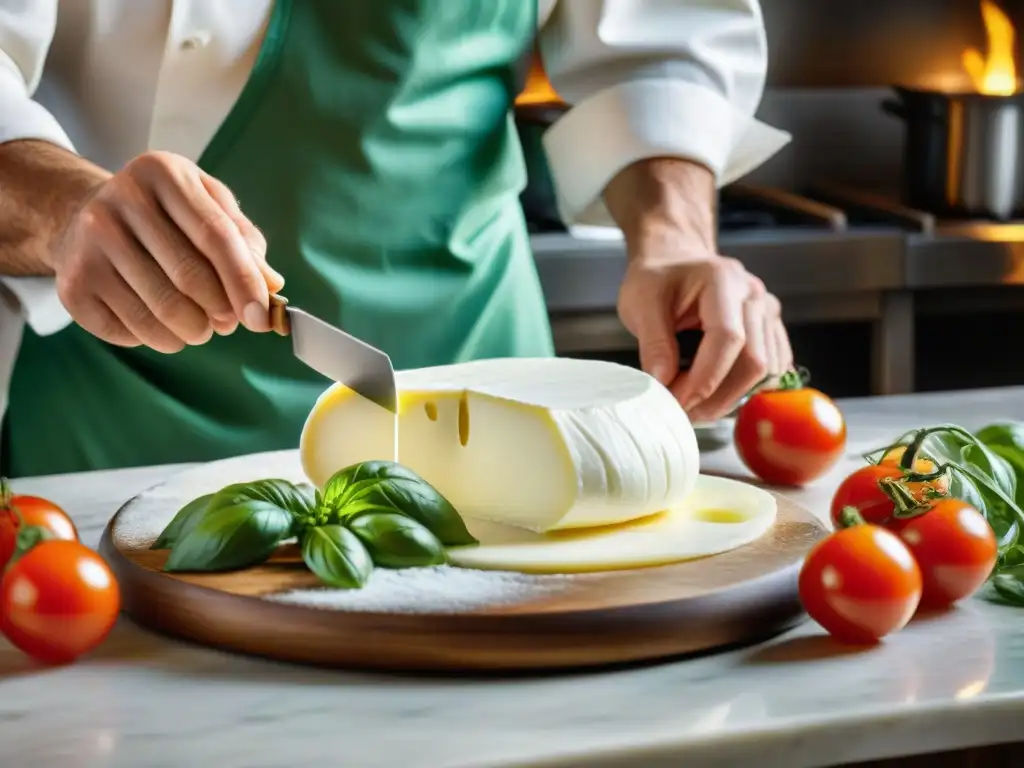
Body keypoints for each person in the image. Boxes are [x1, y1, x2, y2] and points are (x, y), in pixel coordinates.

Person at [0, 0, 792, 478]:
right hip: (108, 401)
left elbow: (658, 41)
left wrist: (673, 240)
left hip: (479, 362)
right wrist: (62, 209)